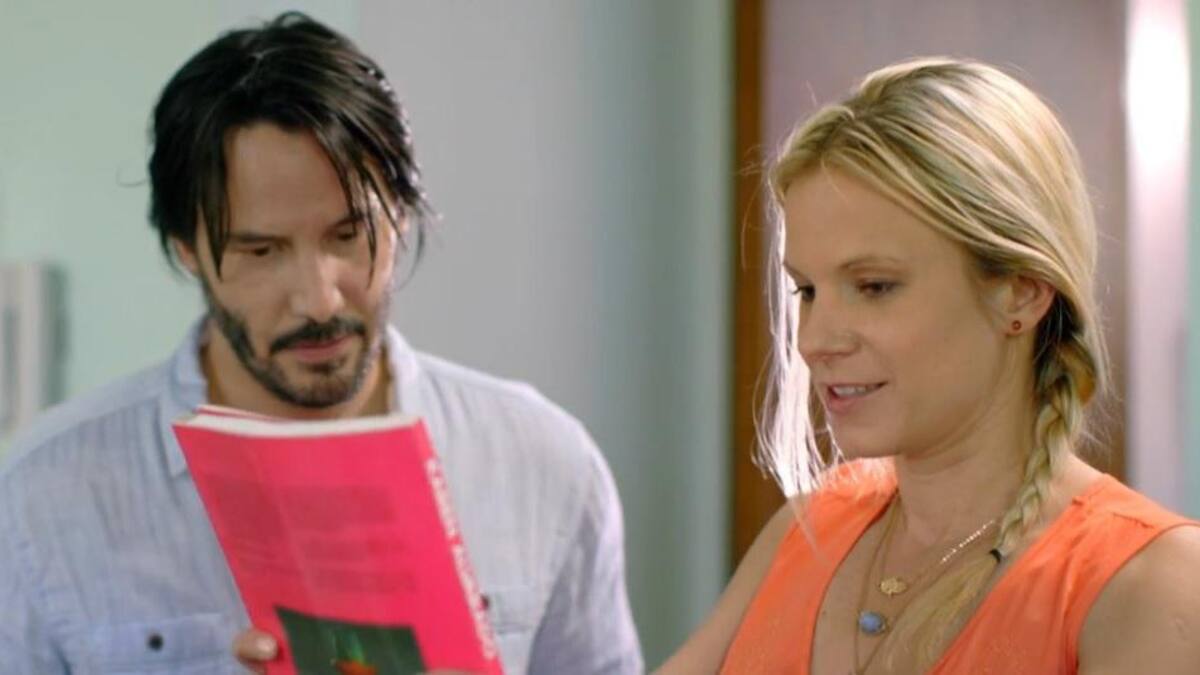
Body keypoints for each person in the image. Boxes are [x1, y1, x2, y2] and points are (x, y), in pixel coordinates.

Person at [0, 12, 642, 675]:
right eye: (261, 250)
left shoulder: (541, 463)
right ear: (185, 247)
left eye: (348, 235)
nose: (319, 300)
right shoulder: (47, 493)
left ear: (400, 214)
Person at [658, 58, 1200, 674]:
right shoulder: (806, 530)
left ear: (1021, 292)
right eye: (807, 290)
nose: (814, 341)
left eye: (875, 286)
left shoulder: (1153, 586)